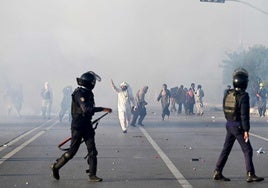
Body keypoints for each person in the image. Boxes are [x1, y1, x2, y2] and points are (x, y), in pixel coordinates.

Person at [51, 71, 112, 182]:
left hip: (87, 124)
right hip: (78, 126)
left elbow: (89, 111)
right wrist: (102, 109)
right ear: (90, 82)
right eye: (93, 82)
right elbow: (86, 109)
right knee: (72, 152)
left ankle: (92, 175)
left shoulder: (88, 93)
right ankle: (55, 167)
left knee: (92, 151)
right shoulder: (79, 93)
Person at [213, 68, 264, 183]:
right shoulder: (243, 96)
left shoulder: (228, 93)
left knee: (226, 149)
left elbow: (225, 109)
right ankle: (250, 173)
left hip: (229, 124)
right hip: (238, 126)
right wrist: (246, 130)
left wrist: (230, 121)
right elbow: (244, 115)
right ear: (244, 82)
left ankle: (217, 171)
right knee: (248, 150)